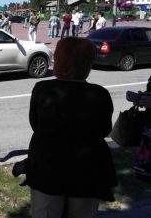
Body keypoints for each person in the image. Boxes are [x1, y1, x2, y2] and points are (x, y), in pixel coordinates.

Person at [25, 37, 117, 218]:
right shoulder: (99, 94)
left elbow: (36, 124)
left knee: (45, 212)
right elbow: (104, 130)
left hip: (48, 165)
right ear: (88, 64)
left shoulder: (43, 88)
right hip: (87, 168)